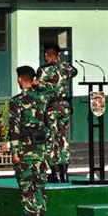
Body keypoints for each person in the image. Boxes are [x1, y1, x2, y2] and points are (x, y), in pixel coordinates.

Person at [10, 65, 48, 216]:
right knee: (39, 185)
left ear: (19, 79)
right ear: (32, 79)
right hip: (40, 148)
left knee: (26, 186)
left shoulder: (16, 101)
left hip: (25, 148)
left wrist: (14, 152)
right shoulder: (42, 98)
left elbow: (14, 129)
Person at [35, 42, 78, 183]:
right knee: (63, 140)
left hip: (51, 108)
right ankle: (65, 173)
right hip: (64, 107)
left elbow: (38, 87)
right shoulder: (66, 68)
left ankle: (55, 173)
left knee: (51, 139)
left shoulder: (44, 70)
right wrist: (59, 60)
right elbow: (74, 71)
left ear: (46, 54)